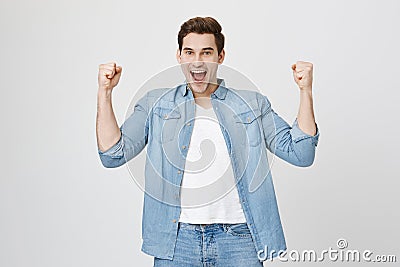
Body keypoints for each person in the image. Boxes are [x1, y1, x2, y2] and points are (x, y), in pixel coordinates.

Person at [96, 17, 319, 266]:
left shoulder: (252, 104)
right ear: (179, 56)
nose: (198, 61)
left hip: (240, 240)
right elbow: (112, 154)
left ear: (220, 56)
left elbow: (301, 154)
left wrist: (305, 91)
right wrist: (105, 93)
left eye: (207, 52)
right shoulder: (155, 104)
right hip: (177, 242)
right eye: (189, 52)